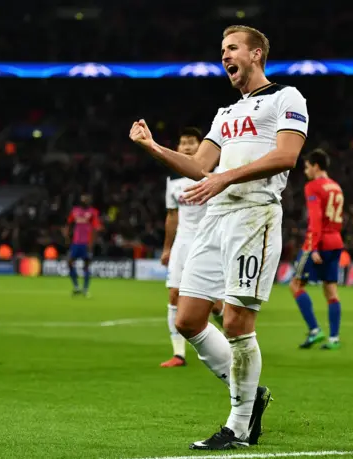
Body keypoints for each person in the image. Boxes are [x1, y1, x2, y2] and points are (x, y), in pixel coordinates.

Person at [130, 25, 308, 450]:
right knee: (188, 319)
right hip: (216, 218)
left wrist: (223, 177)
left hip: (254, 216)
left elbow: (287, 155)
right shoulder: (225, 113)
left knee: (235, 322)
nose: (224, 56)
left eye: (232, 48)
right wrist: (153, 147)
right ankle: (250, 393)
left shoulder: (287, 97)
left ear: (257, 54)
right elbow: (199, 165)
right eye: (221, 50)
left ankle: (240, 426)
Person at [161, 127, 225, 368]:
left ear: (202, 146)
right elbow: (172, 217)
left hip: (208, 240)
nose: (186, 147)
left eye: (191, 142)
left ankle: (234, 338)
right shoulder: (174, 183)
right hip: (182, 243)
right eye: (182, 142)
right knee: (174, 294)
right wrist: (167, 247)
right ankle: (179, 354)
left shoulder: (215, 175)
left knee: (215, 303)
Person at [289, 149, 344, 350]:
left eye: (307, 167)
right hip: (336, 242)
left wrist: (313, 248)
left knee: (295, 285)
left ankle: (314, 330)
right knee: (331, 290)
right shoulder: (336, 187)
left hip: (318, 244)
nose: (305, 171)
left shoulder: (313, 186)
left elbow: (315, 219)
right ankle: (334, 338)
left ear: (316, 166)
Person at [65, 194, 102, 296]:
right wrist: (68, 237)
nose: (85, 200)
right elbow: (69, 224)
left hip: (86, 243)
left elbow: (95, 229)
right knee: (69, 263)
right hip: (76, 243)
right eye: (83, 198)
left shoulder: (93, 212)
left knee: (86, 266)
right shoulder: (75, 211)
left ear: (90, 201)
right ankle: (76, 287)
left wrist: (91, 244)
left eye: (87, 198)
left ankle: (85, 289)